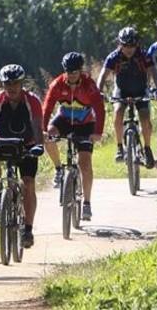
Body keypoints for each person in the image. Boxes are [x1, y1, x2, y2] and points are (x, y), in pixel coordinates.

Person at [0, 63, 45, 248]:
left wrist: (39, 145)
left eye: (15, 83)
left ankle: (28, 229)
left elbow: (37, 126)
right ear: (2, 84)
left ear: (22, 83)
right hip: (3, 143)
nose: (11, 87)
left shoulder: (32, 101)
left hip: (27, 144)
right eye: (7, 84)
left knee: (28, 183)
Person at [42, 51, 105, 221]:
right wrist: (43, 129)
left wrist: (98, 132)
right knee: (48, 136)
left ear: (80, 71)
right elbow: (47, 108)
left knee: (85, 163)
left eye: (75, 72)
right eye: (68, 72)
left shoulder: (89, 85)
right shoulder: (57, 84)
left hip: (85, 124)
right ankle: (58, 169)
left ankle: (87, 203)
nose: (71, 75)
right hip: (63, 120)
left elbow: (99, 109)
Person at [96, 26, 157, 168]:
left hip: (140, 90)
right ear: (120, 44)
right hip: (122, 91)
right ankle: (120, 147)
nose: (129, 49)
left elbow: (154, 72)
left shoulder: (144, 56)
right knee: (118, 111)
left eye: (132, 45)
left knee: (145, 117)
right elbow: (102, 76)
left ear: (137, 44)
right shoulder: (114, 57)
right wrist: (98, 92)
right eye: (125, 45)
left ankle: (147, 148)